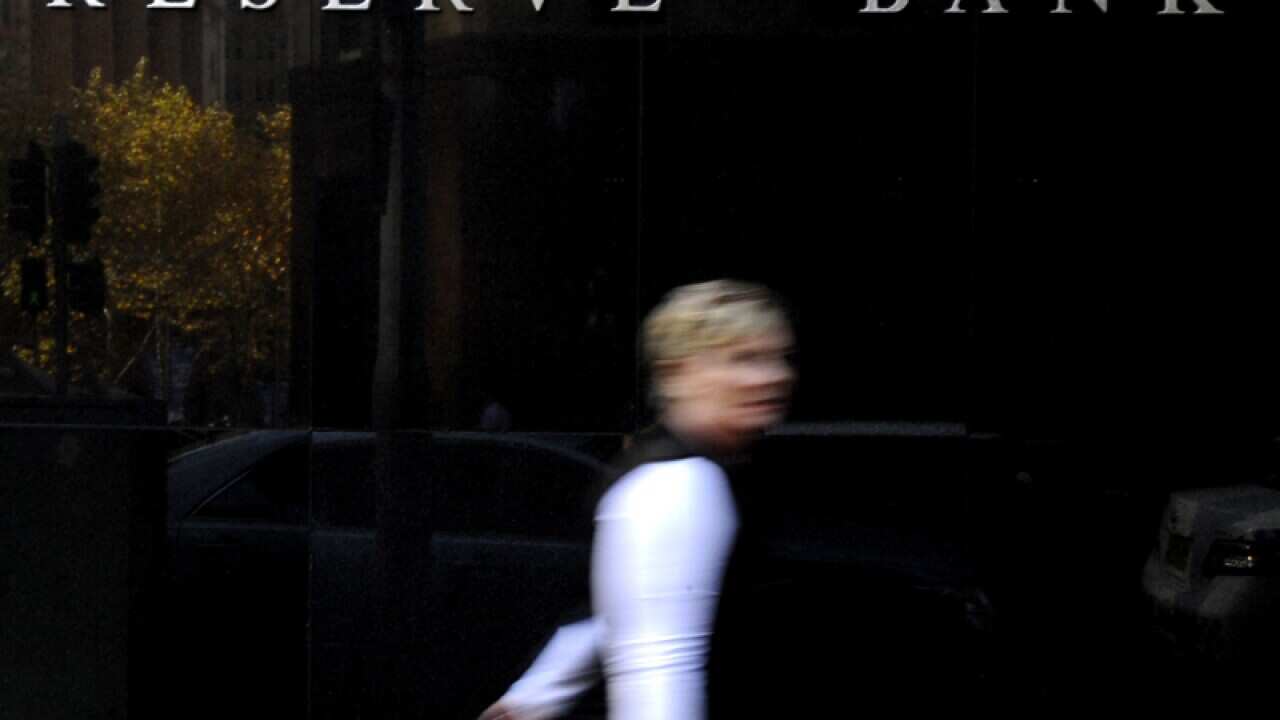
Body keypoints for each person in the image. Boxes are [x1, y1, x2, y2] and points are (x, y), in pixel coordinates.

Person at [479, 279, 796, 720]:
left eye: (778, 358)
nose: (775, 377)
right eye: (744, 359)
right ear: (678, 373)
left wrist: (535, 696)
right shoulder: (678, 483)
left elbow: (620, 615)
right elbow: (658, 676)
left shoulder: (692, 465)